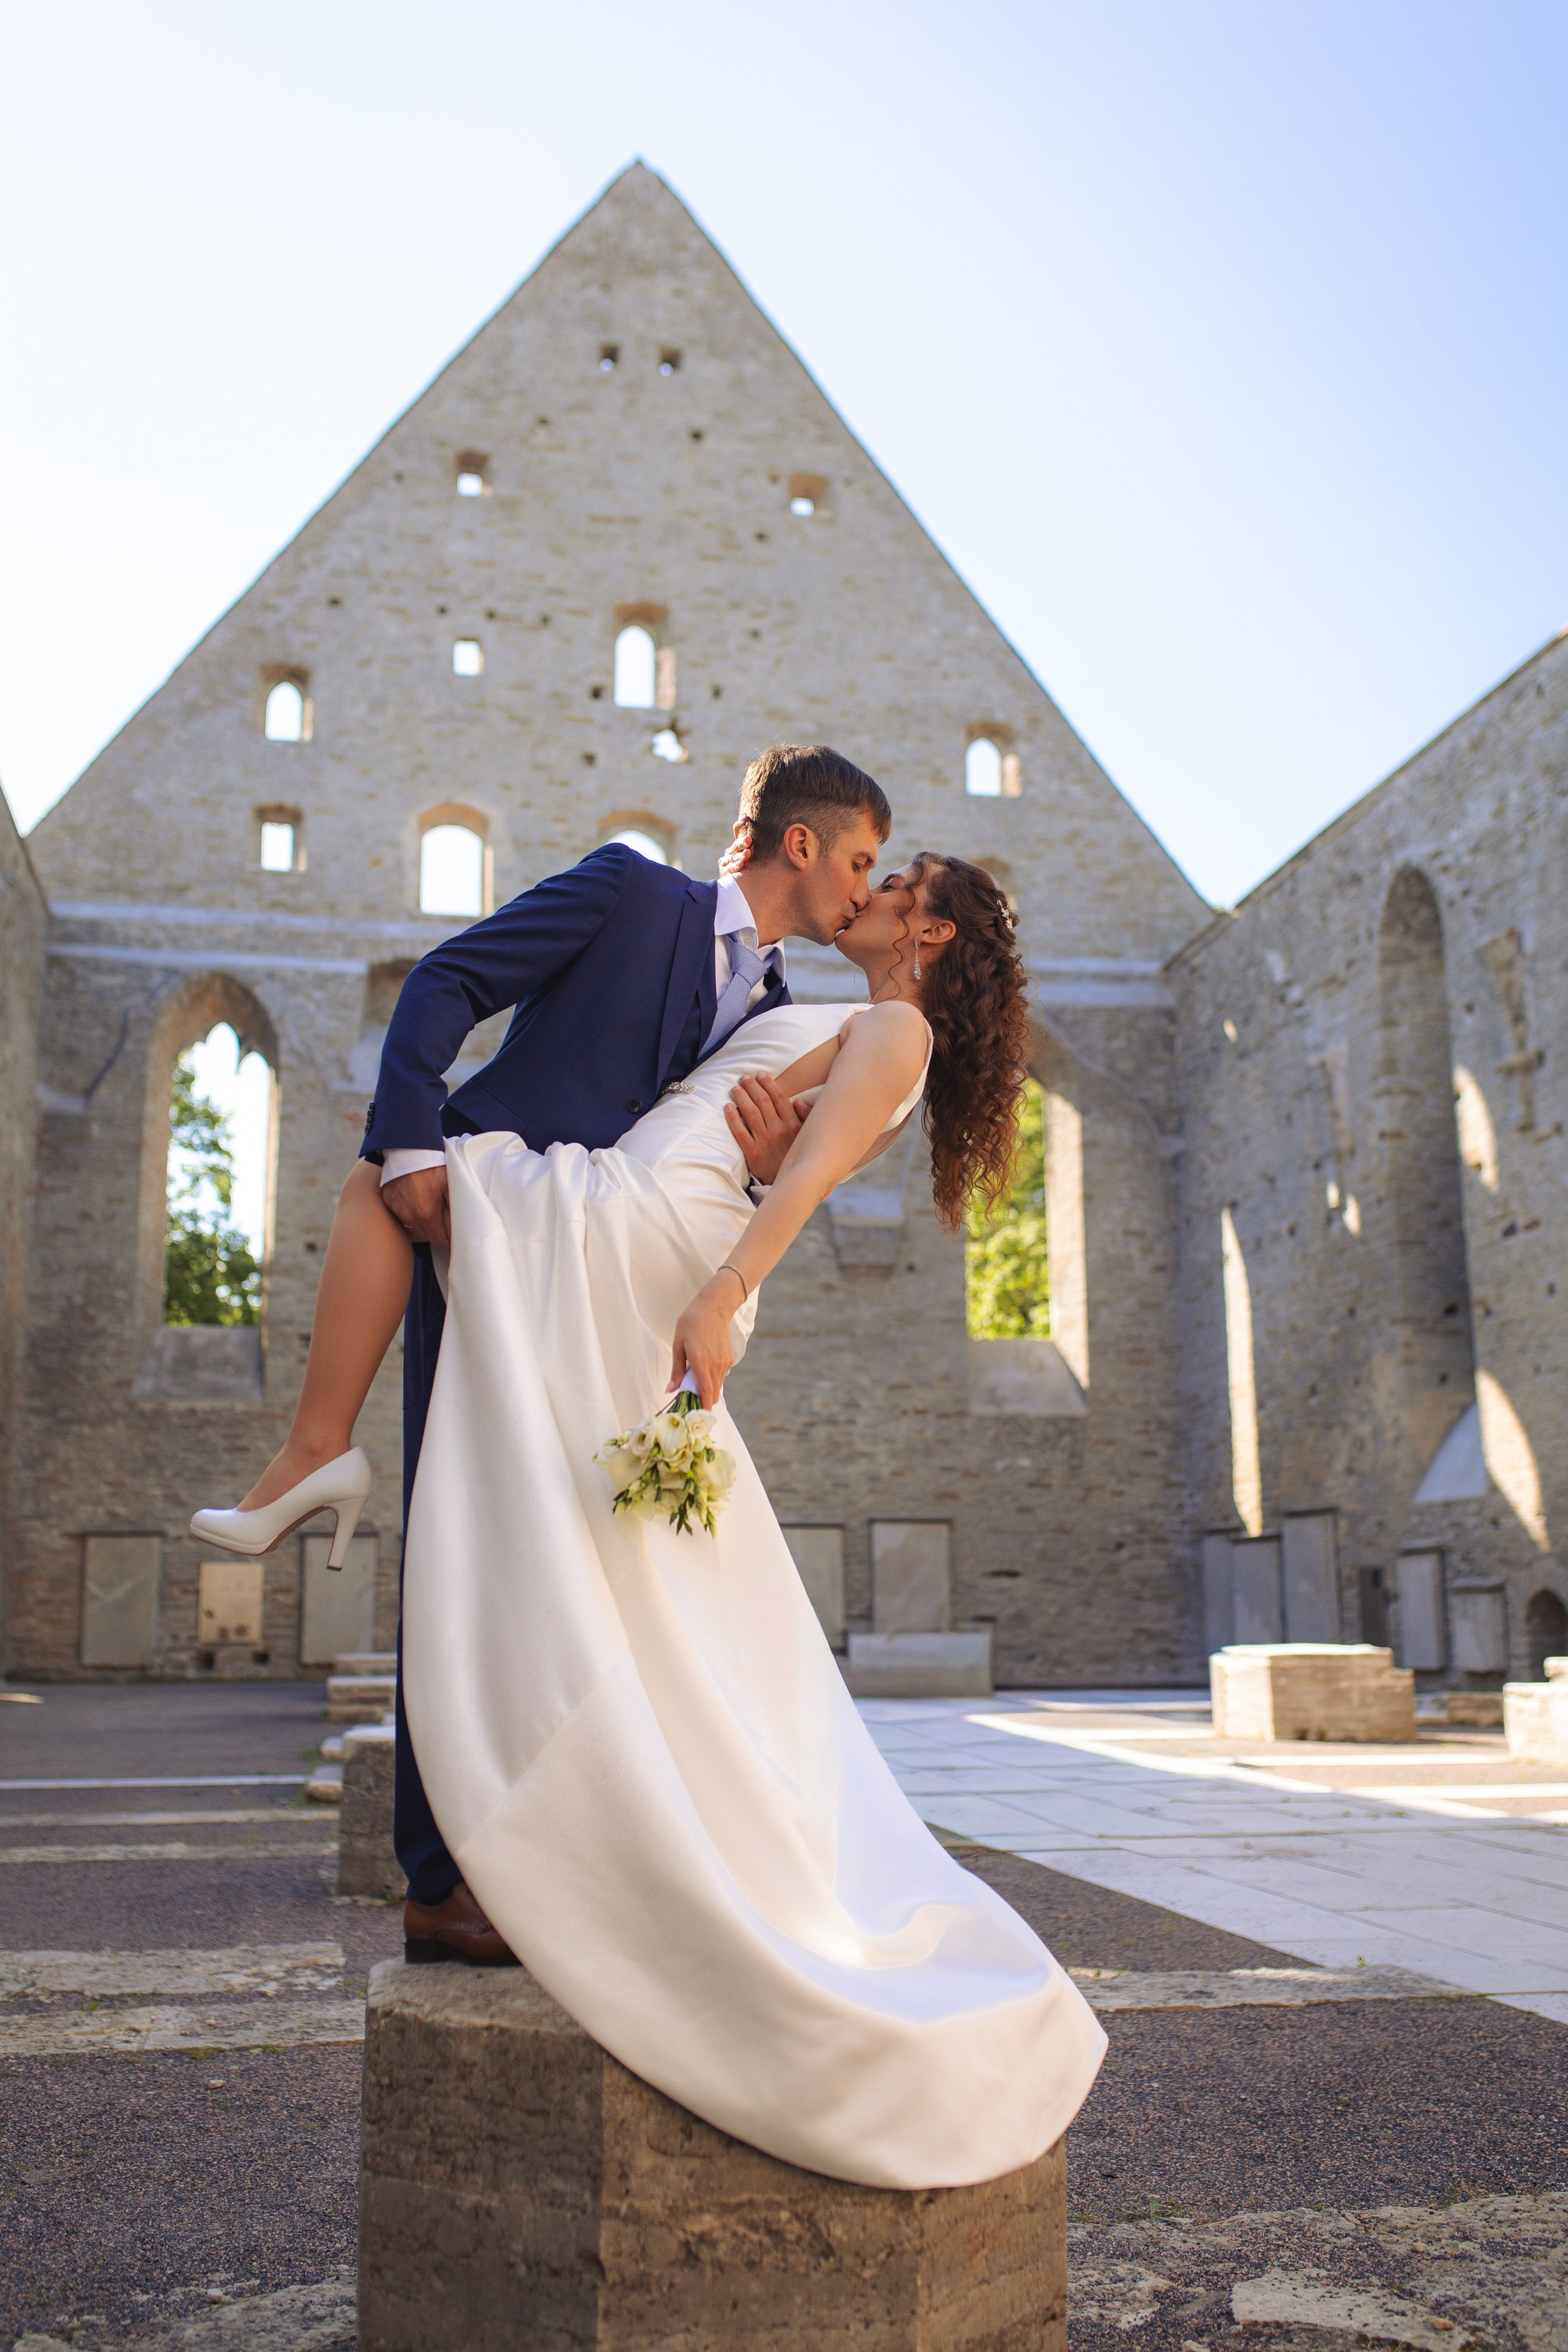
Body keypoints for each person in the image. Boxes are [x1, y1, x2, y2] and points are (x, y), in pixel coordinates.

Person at [194, 840, 1106, 2190]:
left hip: (647, 1229)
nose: (876, 889)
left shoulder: (895, 1024)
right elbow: (763, 1123)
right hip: (656, 1199)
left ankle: (317, 1458)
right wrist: (754, 1161)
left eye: (901, 882)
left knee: (404, 1164)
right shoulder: (827, 1001)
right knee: (550, 1481)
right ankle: (344, 1495)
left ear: (938, 938)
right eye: (871, 864)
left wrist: (728, 1293)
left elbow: (805, 1183)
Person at [196, 744, 887, 1961]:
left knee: (572, 1575)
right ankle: (436, 1882)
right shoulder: (631, 892)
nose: (864, 892)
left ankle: (574, 1848)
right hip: (486, 1238)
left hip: (613, 1290)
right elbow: (447, 984)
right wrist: (410, 1144)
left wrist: (771, 1157)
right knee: (457, 1549)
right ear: (800, 844)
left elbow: (729, 1166)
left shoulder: (783, 1021)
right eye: (862, 861)